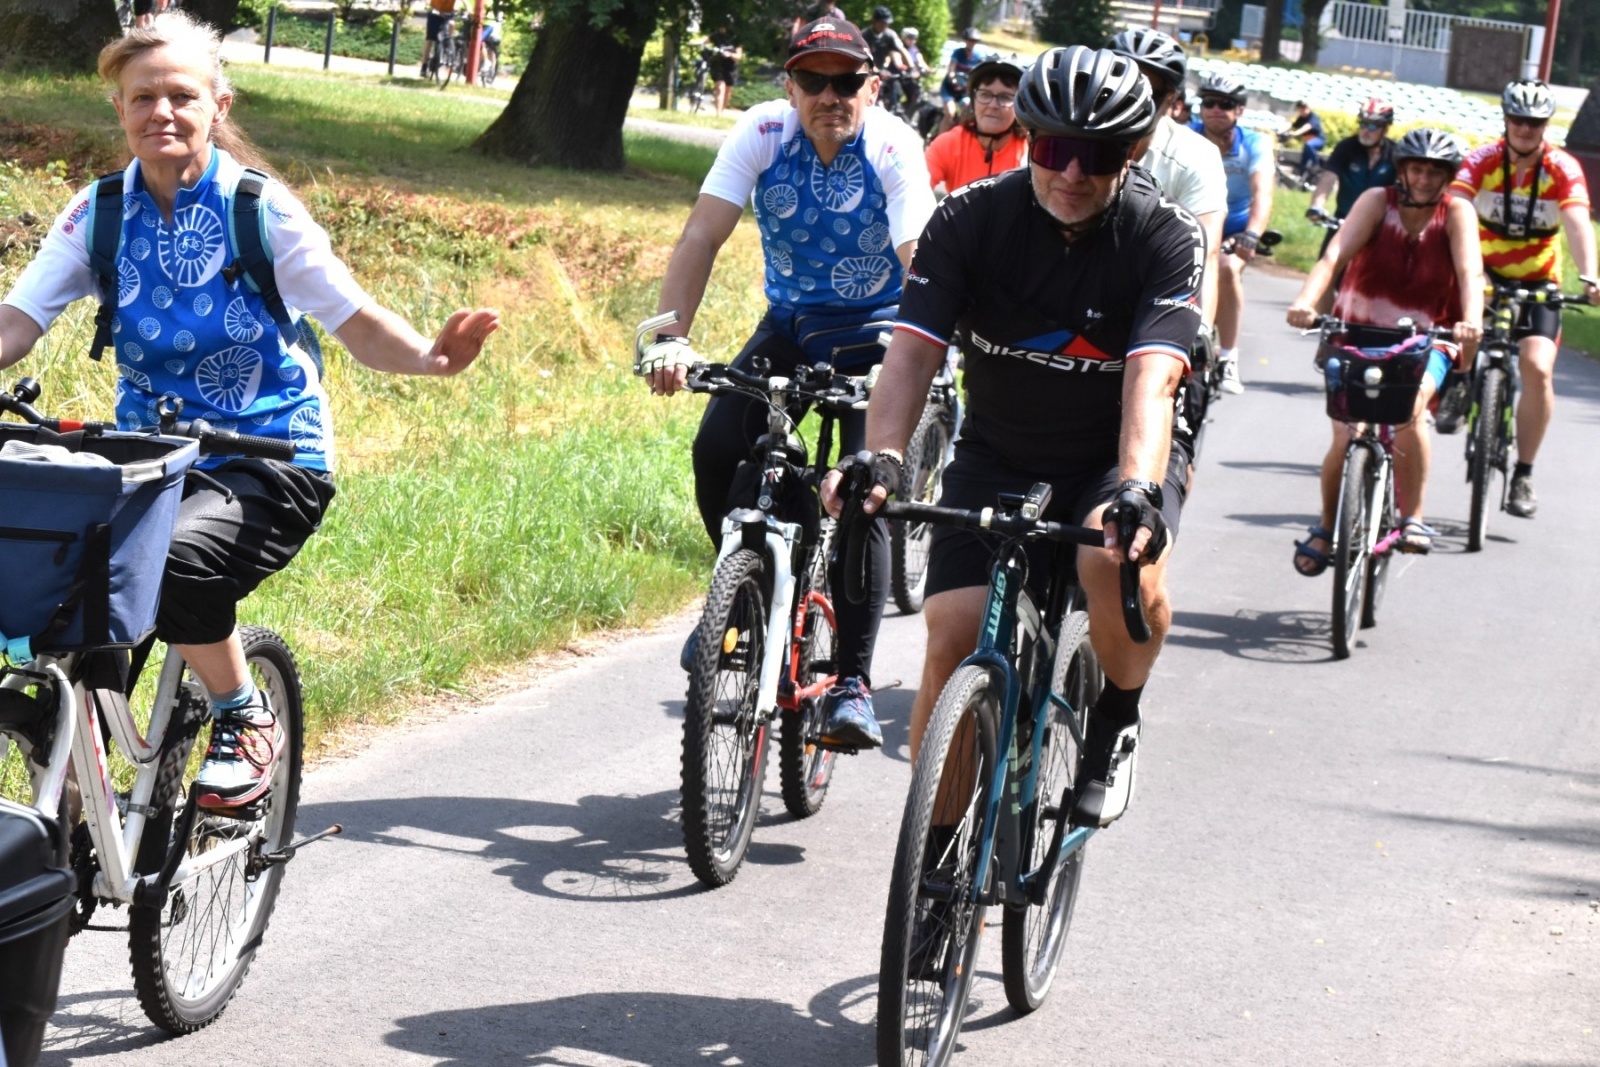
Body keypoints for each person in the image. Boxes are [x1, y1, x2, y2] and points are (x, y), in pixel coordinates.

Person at [0, 15, 498, 812]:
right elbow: (15, 325)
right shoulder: (98, 213)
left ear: (218, 105)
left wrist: (432, 358)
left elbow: (354, 318)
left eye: (181, 95)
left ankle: (242, 711)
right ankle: (74, 780)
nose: (161, 111)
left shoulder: (256, 210)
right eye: (142, 98)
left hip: (270, 458)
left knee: (174, 562)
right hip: (150, 459)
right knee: (42, 559)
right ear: (120, 110)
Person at [826, 45, 1205, 827]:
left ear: (1133, 152)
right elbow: (912, 355)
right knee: (953, 633)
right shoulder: (970, 219)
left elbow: (1153, 377)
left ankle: (1113, 721)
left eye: (1096, 154)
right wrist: (886, 456)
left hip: (1114, 456)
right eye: (1055, 148)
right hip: (1000, 449)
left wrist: (1137, 484)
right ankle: (932, 867)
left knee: (1115, 557)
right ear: (1028, 137)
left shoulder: (1163, 237)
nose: (1072, 172)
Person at [638, 18, 935, 750]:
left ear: (873, 83)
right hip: (793, 324)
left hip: (883, 333)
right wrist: (670, 337)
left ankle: (854, 683)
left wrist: (930, 350)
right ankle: (739, 601)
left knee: (867, 490)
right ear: (790, 85)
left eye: (846, 81)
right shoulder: (763, 133)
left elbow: (915, 253)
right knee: (717, 446)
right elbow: (702, 234)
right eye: (813, 80)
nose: (830, 95)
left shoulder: (895, 146)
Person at [1286, 129, 1484, 570]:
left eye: (1435, 172)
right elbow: (1333, 257)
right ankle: (1325, 525)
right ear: (1402, 171)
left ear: (1447, 176)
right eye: (1417, 169)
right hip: (1355, 329)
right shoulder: (1378, 201)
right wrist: (1304, 302)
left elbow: (1471, 273)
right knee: (1345, 432)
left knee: (1411, 411)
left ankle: (1412, 517)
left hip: (1430, 335)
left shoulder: (1457, 212)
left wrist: (1471, 324)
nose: (1425, 179)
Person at [1450, 78, 1599, 518]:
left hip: (1538, 281)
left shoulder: (1562, 167)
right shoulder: (1483, 159)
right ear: (1506, 120)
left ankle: (1523, 474)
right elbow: (1457, 205)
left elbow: (1576, 221)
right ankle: (1459, 383)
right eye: (1518, 119)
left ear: (1546, 125)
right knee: (1466, 330)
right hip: (1483, 272)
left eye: (1534, 122)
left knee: (1536, 367)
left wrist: (1590, 275)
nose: (1525, 129)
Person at [1191, 71, 1272, 395]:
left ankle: (1229, 357)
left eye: (1225, 104)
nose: (1215, 109)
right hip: (1195, 219)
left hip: (1235, 227)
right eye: (1208, 102)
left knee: (1225, 269)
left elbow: (1262, 192)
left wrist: (1252, 233)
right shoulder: (1187, 136)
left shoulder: (1255, 143)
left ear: (1239, 110)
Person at [922, 57, 1027, 195]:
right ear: (973, 100)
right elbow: (913, 189)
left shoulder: (1031, 150)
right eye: (985, 95)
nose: (993, 105)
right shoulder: (949, 144)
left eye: (1005, 97)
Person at [1307, 98, 1398, 256]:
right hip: (1343, 221)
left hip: (1379, 227)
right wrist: (1317, 206)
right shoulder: (1346, 147)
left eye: (1372, 125)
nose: (1365, 130)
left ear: (1386, 129)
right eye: (1362, 123)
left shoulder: (1395, 154)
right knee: (1326, 269)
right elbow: (1329, 177)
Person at [862, 6, 912, 114]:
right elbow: (865, 58)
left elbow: (902, 50)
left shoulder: (890, 35)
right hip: (865, 70)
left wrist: (911, 67)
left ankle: (891, 110)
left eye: (887, 23)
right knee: (866, 95)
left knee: (896, 91)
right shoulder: (865, 36)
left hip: (881, 70)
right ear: (874, 21)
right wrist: (877, 70)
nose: (885, 25)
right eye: (882, 23)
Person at [940, 27, 986, 131]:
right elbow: (951, 68)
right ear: (965, 40)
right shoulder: (958, 53)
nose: (971, 43)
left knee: (967, 112)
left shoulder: (978, 56)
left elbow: (979, 73)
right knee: (950, 114)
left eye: (974, 41)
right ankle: (939, 140)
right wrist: (953, 79)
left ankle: (956, 134)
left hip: (964, 90)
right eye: (969, 40)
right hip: (950, 88)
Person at [706, 19, 743, 117]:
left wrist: (730, 54)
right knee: (720, 88)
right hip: (718, 66)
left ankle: (722, 110)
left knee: (727, 91)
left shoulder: (735, 39)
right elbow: (704, 41)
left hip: (730, 68)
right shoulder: (716, 36)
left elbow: (739, 57)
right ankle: (718, 114)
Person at [1281, 100, 1325, 179]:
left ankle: (1316, 165)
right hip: (1308, 142)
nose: (1303, 110)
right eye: (1300, 108)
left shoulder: (1313, 117)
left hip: (1318, 140)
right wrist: (1281, 131)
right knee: (1304, 160)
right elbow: (1292, 125)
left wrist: (1297, 133)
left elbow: (1308, 126)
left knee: (1309, 145)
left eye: (1304, 108)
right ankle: (1302, 179)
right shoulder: (1301, 118)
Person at [421, 0, 458, 78]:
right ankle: (424, 66)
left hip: (448, 14)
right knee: (430, 39)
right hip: (435, 13)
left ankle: (448, 46)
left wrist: (467, 10)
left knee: (452, 24)